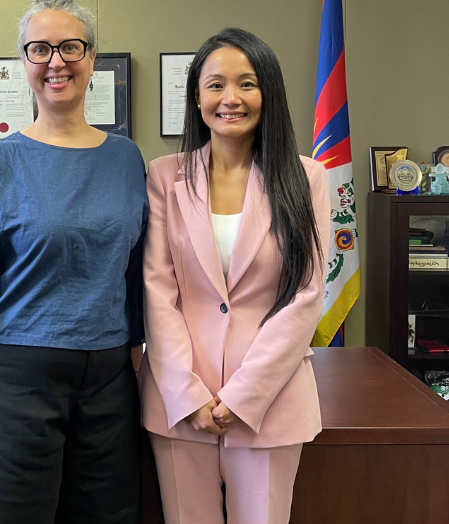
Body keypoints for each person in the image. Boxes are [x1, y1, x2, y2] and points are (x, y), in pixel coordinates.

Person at [0, 0, 148, 524]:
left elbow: (134, 284)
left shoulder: (128, 160)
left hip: (109, 385)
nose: (55, 61)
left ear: (92, 58)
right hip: (14, 382)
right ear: (23, 63)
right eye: (39, 49)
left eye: (70, 47)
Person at [139, 27, 332, 524]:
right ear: (197, 97)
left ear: (268, 92)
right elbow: (159, 293)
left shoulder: (305, 177)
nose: (231, 98)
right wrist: (188, 393)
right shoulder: (164, 175)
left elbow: (306, 295)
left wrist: (244, 395)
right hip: (181, 402)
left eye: (247, 83)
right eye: (215, 84)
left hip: (271, 399)